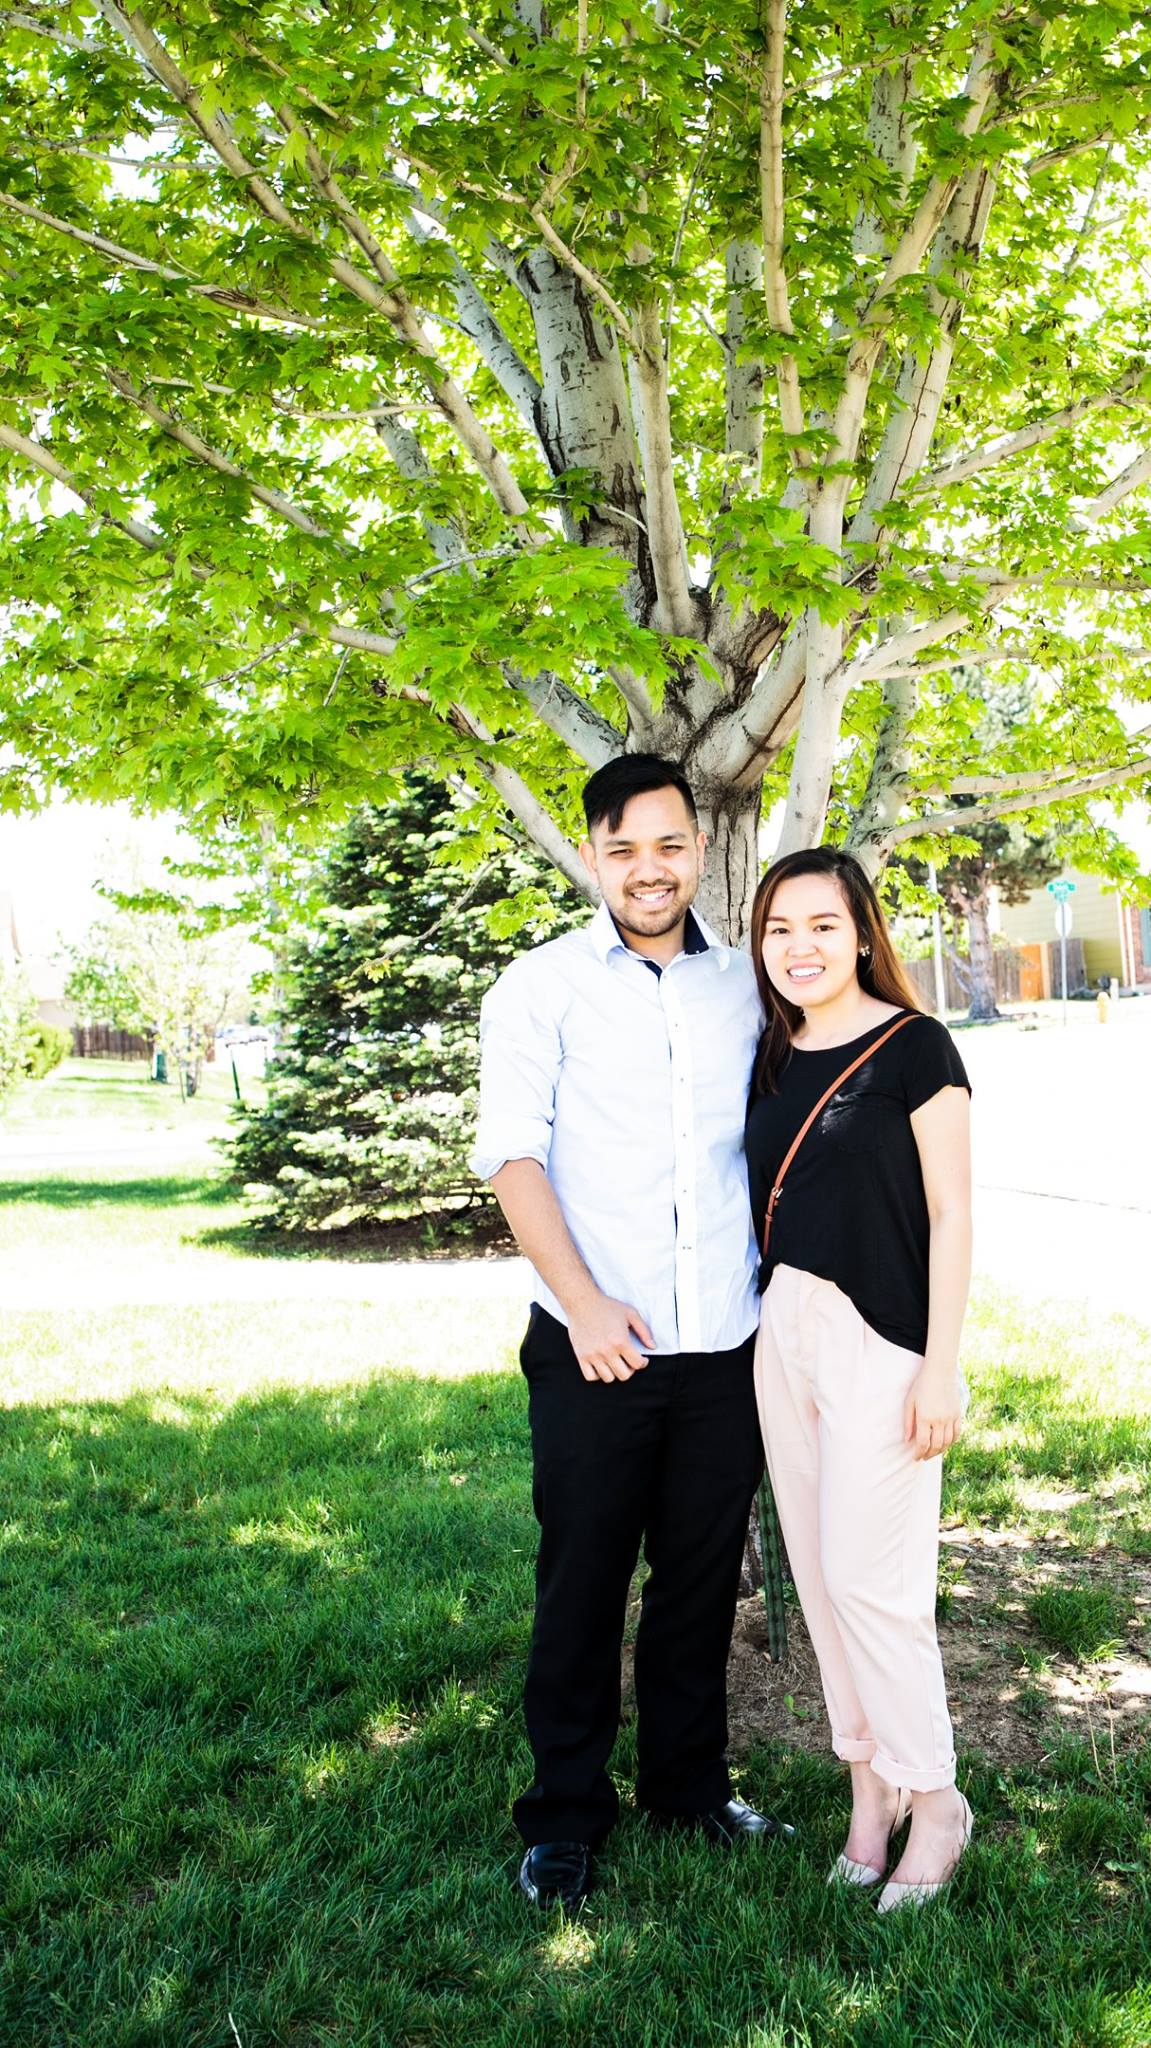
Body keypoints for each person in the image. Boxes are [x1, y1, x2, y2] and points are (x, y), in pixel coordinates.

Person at [471, 753, 793, 1910]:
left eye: (666, 844)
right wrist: (585, 1301)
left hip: (722, 1339)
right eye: (621, 849)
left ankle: (687, 1787)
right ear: (590, 856)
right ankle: (563, 1816)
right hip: (592, 1344)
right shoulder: (538, 988)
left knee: (698, 1582)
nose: (646, 868)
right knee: (583, 1580)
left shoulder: (747, 986)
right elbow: (512, 1156)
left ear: (698, 848)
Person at [744, 846, 973, 1913]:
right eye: (778, 928)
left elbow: (952, 1213)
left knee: (871, 1583)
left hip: (881, 1340)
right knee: (819, 1576)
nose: (799, 946)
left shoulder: (914, 1046)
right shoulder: (771, 1052)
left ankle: (936, 1798)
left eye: (821, 924)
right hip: (780, 1332)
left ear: (860, 932)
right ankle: (867, 1791)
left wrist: (941, 1366)